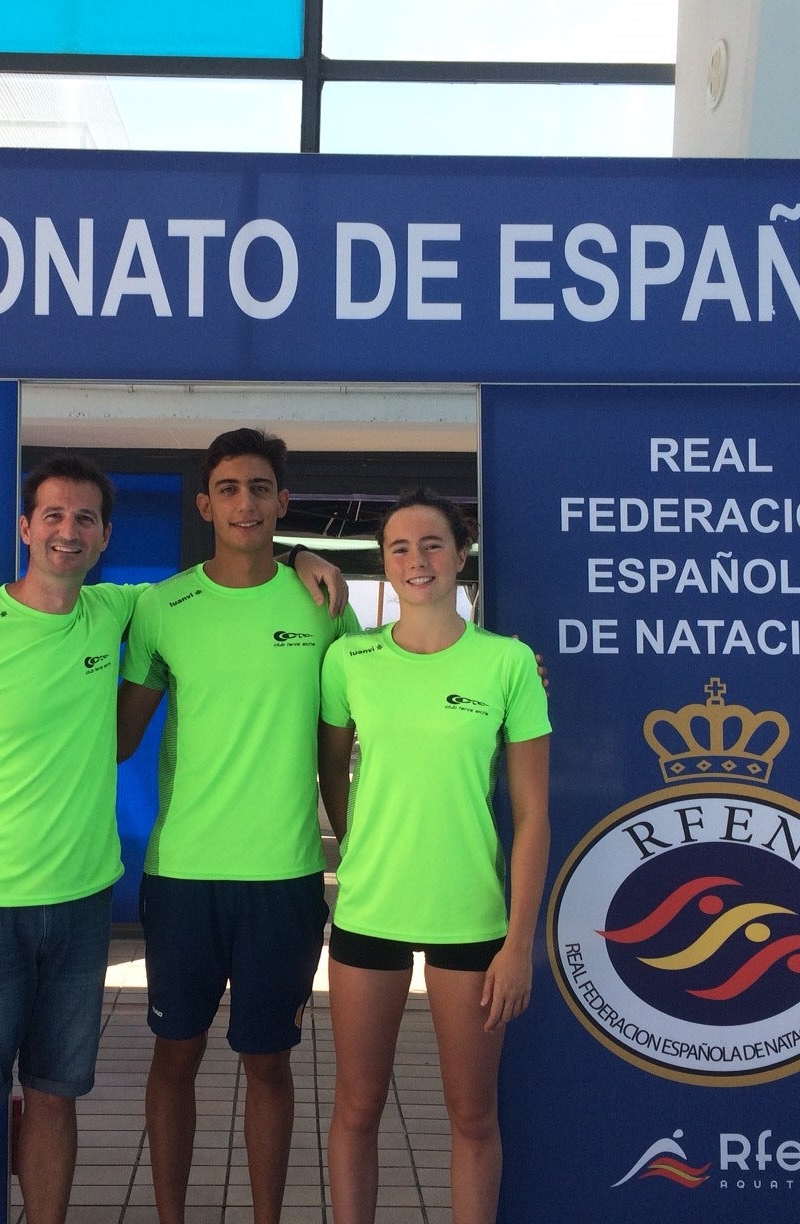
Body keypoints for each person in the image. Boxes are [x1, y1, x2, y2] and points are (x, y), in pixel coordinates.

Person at [0, 453, 343, 1224]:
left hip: (82, 904)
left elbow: (235, 579)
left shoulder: (125, 609)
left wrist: (300, 553)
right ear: (26, 528)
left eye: (85, 519)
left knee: (59, 1098)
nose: (69, 531)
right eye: (53, 516)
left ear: (104, 539)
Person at [117, 428, 359, 1224]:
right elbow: (118, 734)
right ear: (204, 504)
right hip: (183, 874)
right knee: (174, 1058)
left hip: (283, 876)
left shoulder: (324, 603)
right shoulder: (161, 606)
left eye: (260, 488)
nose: (244, 503)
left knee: (269, 1064)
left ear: (282, 503)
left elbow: (372, 713)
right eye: (228, 489)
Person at [316, 489, 551, 1224]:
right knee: (356, 1109)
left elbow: (534, 814)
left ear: (460, 555)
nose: (417, 560)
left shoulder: (507, 663)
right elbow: (330, 773)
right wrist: (366, 845)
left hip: (470, 918)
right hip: (368, 910)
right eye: (399, 548)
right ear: (384, 566)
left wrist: (518, 943)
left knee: (472, 1117)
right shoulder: (348, 659)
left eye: (432, 544)